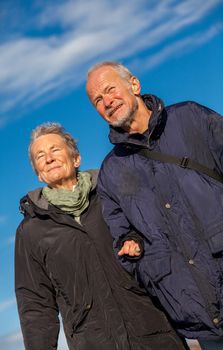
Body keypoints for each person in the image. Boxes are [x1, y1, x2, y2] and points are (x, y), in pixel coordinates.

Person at [86, 61, 223, 350]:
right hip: (193, 310)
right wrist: (132, 245)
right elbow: (123, 234)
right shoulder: (111, 173)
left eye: (110, 89)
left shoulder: (191, 117)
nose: (107, 102)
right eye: (97, 100)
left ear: (134, 85)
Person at [15, 122, 186, 350]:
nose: (48, 158)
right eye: (40, 156)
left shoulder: (111, 194)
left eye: (55, 150)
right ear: (38, 174)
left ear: (76, 159)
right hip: (93, 343)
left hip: (154, 333)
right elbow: (35, 305)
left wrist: (137, 242)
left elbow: (157, 235)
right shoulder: (31, 231)